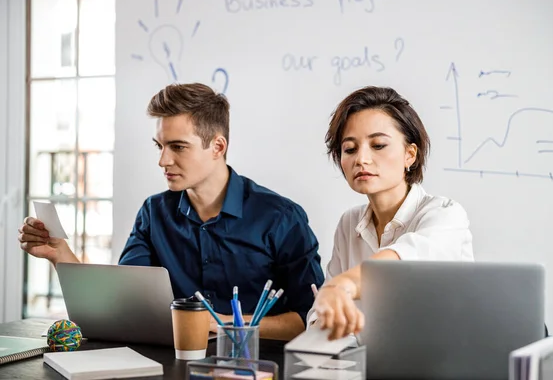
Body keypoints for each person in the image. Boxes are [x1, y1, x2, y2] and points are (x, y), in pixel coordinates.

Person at [18, 83, 325, 341]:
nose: (163, 161)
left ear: (217, 147)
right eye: (160, 146)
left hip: (254, 366)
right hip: (167, 363)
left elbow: (308, 318)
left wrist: (223, 323)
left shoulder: (280, 217)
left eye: (178, 147)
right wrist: (60, 254)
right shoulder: (154, 212)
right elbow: (119, 305)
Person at [311, 86, 474, 340]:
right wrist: (325, 317)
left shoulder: (445, 214)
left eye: (378, 145)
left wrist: (341, 286)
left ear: (410, 154)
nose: (361, 159)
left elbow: (399, 266)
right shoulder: (349, 223)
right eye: (350, 149)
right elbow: (321, 318)